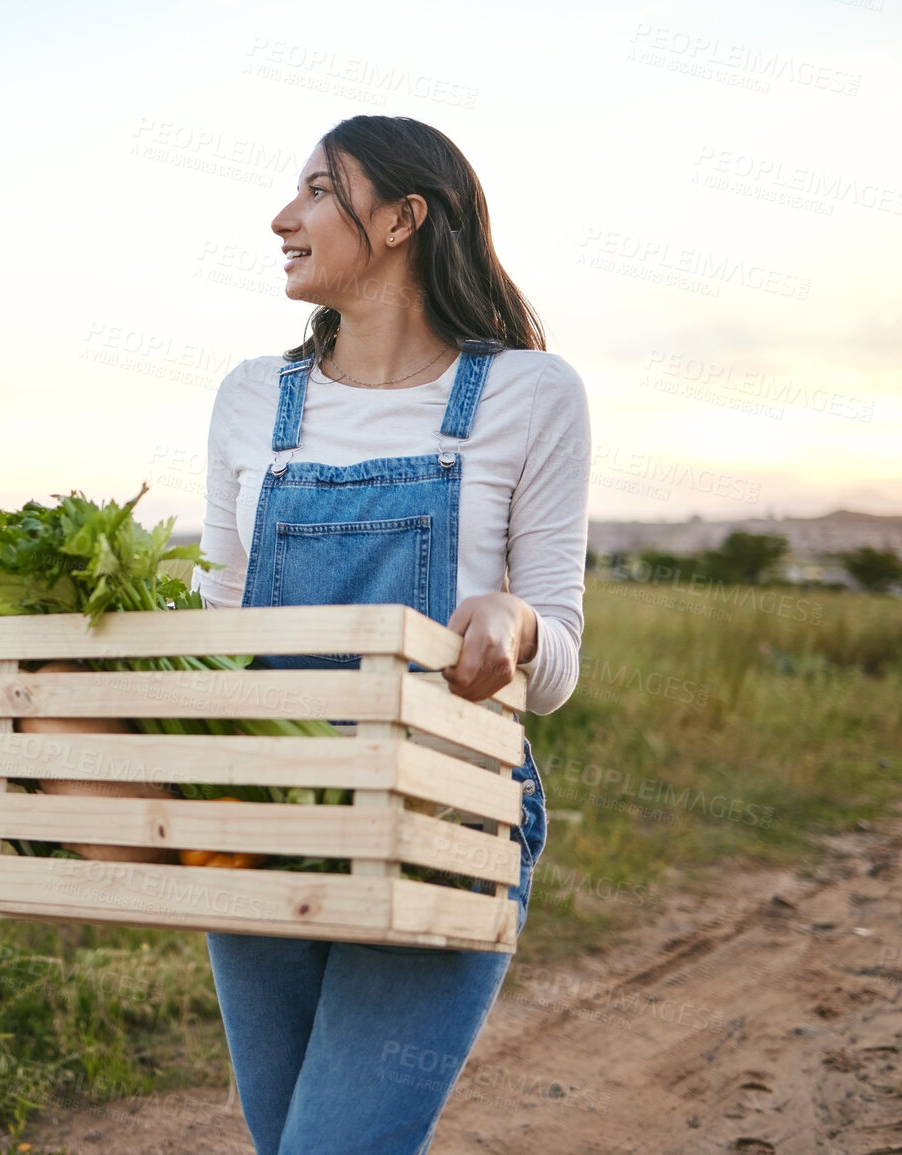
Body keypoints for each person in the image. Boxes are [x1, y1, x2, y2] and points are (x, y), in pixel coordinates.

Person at [195, 114, 590, 1154]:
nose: (285, 217)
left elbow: (556, 667)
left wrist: (513, 623)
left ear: (406, 219)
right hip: (263, 824)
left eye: (319, 191)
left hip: (441, 822)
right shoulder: (250, 401)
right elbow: (219, 626)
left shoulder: (528, 395)